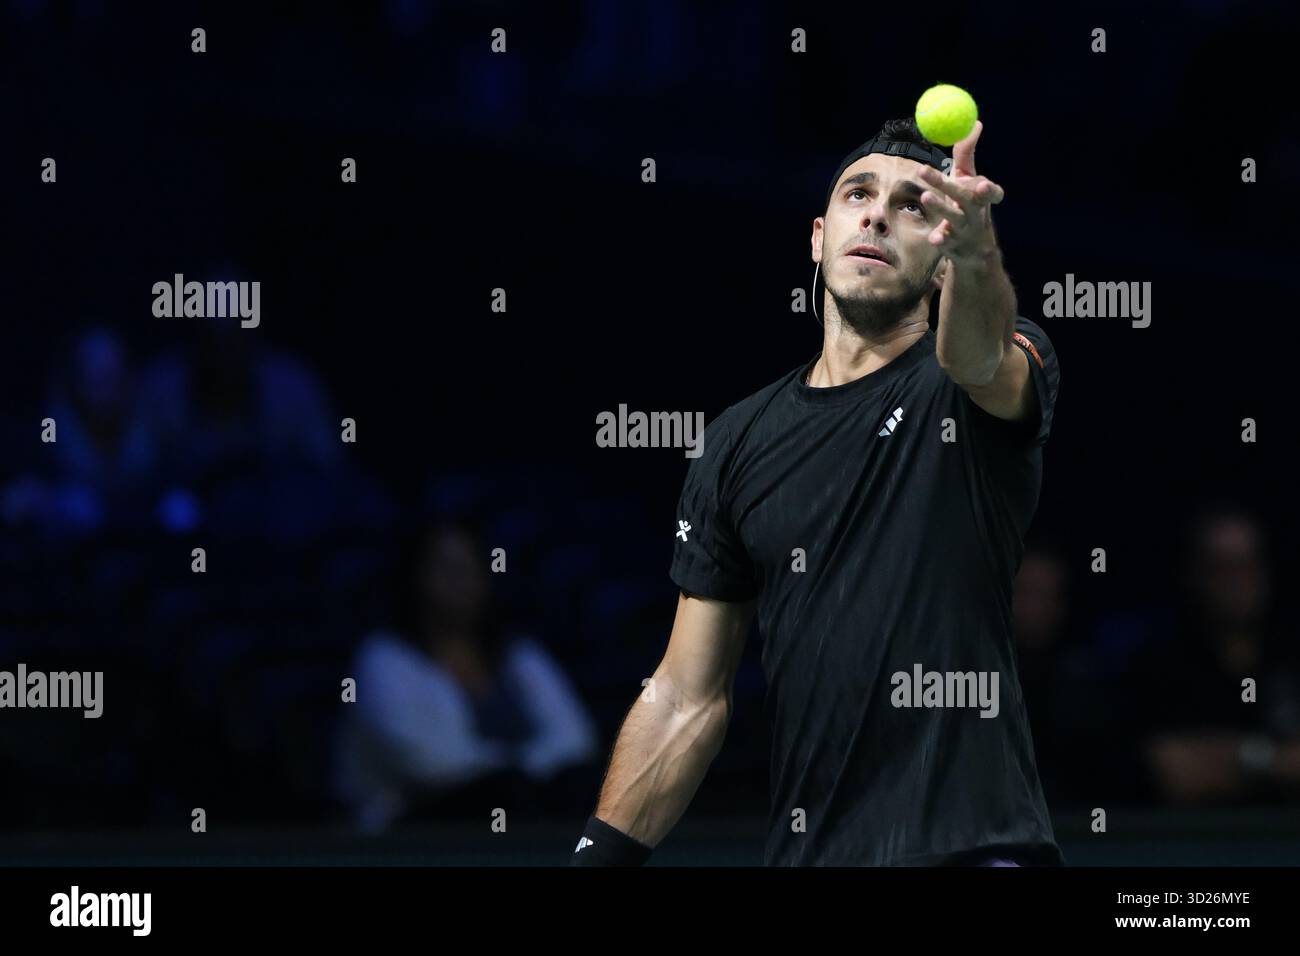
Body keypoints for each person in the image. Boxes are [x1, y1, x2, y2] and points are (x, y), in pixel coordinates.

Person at [571, 118, 1063, 866]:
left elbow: (980, 355)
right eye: (857, 194)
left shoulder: (971, 382)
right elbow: (684, 699)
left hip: (979, 850)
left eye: (914, 206)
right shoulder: (737, 441)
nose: (876, 214)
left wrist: (977, 253)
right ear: (816, 236)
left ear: (942, 259)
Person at [335, 520, 597, 832]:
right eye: (446, 568)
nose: (461, 581)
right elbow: (429, 764)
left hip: (522, 802)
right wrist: (515, 773)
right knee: (506, 792)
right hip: (412, 821)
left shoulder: (519, 654)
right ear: (414, 577)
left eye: (470, 567)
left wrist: (523, 773)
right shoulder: (382, 658)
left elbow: (577, 740)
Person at [1127, 506, 1300, 805]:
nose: (1238, 580)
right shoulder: (1162, 665)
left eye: (1248, 564)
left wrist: (1221, 761)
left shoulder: (1290, 655)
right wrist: (1270, 761)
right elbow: (1173, 773)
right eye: (1223, 566)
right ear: (1195, 575)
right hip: (1194, 845)